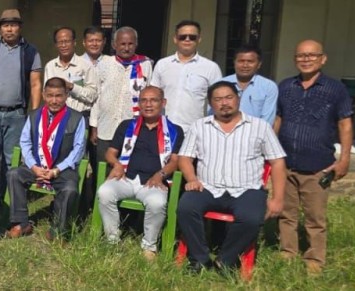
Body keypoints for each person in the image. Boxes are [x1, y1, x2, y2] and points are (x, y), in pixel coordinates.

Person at [177, 81, 286, 274]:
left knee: (251, 218)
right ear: (211, 103)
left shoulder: (260, 127)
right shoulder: (200, 126)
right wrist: (192, 178)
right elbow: (185, 158)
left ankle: (225, 261)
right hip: (208, 187)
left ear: (238, 98)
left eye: (228, 97)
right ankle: (200, 259)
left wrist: (278, 199)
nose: (224, 103)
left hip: (247, 190)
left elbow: (277, 162)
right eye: (218, 99)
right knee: (186, 207)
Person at [275, 40, 353, 275]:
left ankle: (315, 259)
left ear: (323, 59)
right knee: (286, 213)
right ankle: (288, 252)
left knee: (315, 217)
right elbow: (278, 119)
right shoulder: (286, 86)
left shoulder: (335, 89)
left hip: (318, 165)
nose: (306, 59)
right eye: (301, 56)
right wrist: (271, 153)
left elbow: (345, 124)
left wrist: (344, 159)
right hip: (286, 163)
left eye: (311, 55)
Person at [96, 86, 183, 260]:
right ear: (139, 104)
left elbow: (175, 161)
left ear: (163, 103)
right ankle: (112, 240)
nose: (148, 104)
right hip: (126, 177)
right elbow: (110, 153)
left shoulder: (175, 130)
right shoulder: (127, 125)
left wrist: (160, 175)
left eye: (154, 100)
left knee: (157, 203)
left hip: (153, 182)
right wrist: (116, 164)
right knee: (104, 192)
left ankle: (149, 247)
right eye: (144, 100)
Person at [0, 9, 44, 208]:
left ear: (20, 27)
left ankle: (10, 201)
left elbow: (36, 84)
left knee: (12, 158)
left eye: (13, 25)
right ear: (0, 28)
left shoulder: (30, 51)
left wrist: (34, 113)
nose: (9, 29)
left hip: (17, 114)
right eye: (6, 25)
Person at [4, 78, 86, 240]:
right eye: (50, 96)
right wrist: (33, 166)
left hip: (62, 169)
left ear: (66, 95)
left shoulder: (77, 118)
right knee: (13, 174)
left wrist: (57, 170)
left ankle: (59, 230)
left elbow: (78, 149)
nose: (54, 101)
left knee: (70, 189)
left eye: (58, 96)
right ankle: (21, 223)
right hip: (37, 166)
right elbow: (25, 142)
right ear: (43, 95)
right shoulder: (34, 115)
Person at [90, 27, 153, 170]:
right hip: (106, 128)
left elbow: (149, 96)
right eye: (122, 44)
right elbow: (96, 96)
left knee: (128, 169)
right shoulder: (104, 64)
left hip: (132, 128)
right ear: (114, 45)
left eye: (130, 44)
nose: (126, 48)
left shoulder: (145, 65)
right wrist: (94, 126)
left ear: (136, 44)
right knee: (103, 169)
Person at [152, 20, 223, 129]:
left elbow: (218, 100)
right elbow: (153, 96)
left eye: (192, 37)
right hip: (163, 128)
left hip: (194, 130)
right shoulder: (162, 64)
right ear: (175, 39)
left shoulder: (211, 68)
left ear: (199, 39)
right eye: (182, 37)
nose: (187, 39)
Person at [44, 27, 98, 118]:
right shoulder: (50, 66)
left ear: (74, 42)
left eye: (67, 41)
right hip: (56, 116)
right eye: (60, 42)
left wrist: (72, 87)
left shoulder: (85, 65)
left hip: (80, 116)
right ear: (56, 45)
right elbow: (46, 94)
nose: (64, 45)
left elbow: (93, 96)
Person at [221, 44, 277, 124]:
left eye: (250, 62)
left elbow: (267, 120)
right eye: (241, 61)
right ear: (234, 62)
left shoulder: (268, 87)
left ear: (259, 64)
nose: (245, 65)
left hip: (257, 130)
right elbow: (214, 113)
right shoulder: (221, 84)